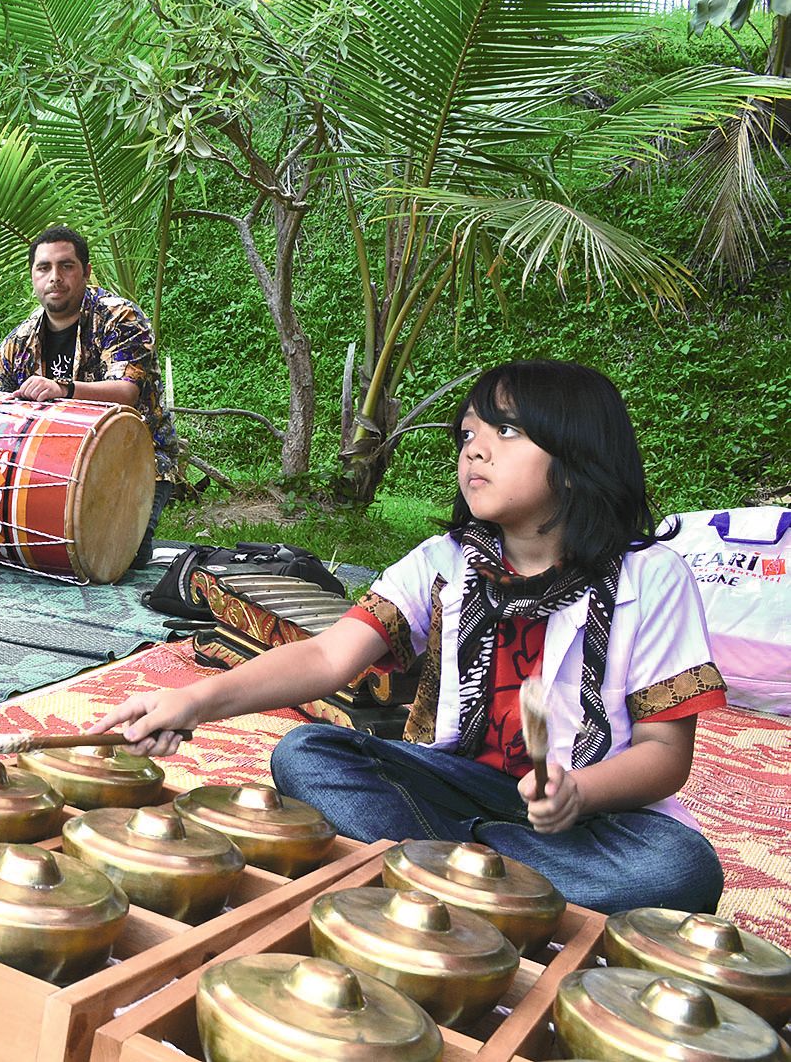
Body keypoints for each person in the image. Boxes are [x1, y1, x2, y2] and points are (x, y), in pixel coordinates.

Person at [92, 360, 727, 916]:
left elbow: (666, 754)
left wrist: (578, 794)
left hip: (589, 814)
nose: (473, 450)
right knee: (306, 753)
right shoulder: (443, 561)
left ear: (578, 453)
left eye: (505, 431)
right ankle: (498, 881)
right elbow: (326, 654)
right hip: (451, 786)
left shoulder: (652, 577)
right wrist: (194, 702)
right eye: (468, 434)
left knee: (678, 868)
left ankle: (433, 870)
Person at [0, 225, 178, 568]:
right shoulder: (16, 344)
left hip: (133, 464)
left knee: (115, 560)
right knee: (30, 555)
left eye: (66, 266)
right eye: (44, 267)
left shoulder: (120, 318)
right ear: (33, 276)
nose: (55, 277)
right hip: (51, 468)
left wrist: (62, 390)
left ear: (86, 272)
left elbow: (126, 393)